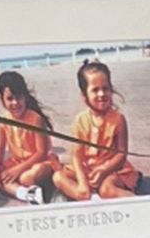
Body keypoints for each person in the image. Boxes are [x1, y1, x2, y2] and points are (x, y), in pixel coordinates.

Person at [53, 59, 141, 201]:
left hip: (112, 170)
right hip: (88, 170)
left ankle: (139, 204)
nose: (101, 94)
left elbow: (121, 155)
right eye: (95, 90)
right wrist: (82, 182)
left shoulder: (118, 119)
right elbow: (77, 155)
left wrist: (105, 170)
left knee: (107, 189)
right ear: (84, 96)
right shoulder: (80, 120)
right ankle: (93, 198)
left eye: (105, 88)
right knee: (58, 177)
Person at [0, 70, 56, 206]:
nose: (15, 103)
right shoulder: (3, 120)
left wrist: (17, 170)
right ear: (2, 100)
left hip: (40, 164)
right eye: (10, 98)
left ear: (25, 97)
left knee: (26, 177)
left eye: (19, 97)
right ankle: (25, 193)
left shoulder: (35, 119)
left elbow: (41, 153)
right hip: (16, 162)